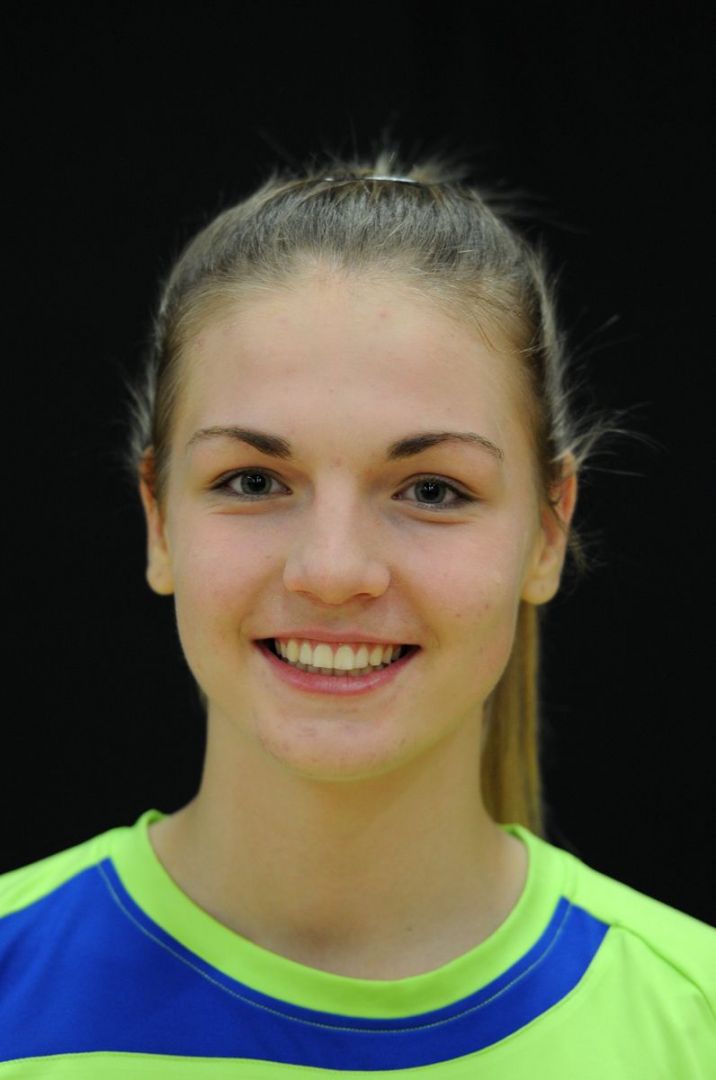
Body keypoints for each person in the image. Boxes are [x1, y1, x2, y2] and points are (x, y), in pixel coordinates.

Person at [1, 150, 713, 1078]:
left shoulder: (692, 1023)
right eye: (252, 481)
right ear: (159, 521)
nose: (333, 571)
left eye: (432, 489)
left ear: (547, 533)